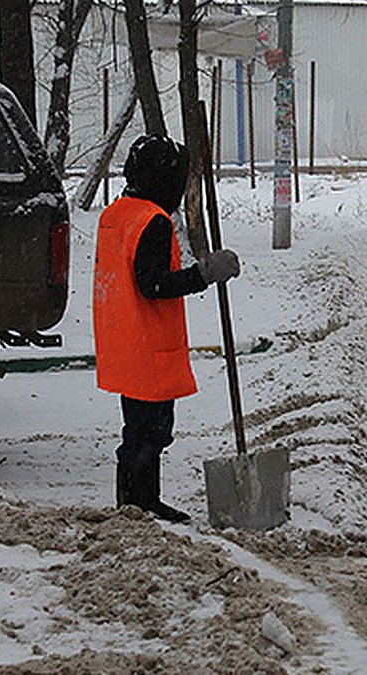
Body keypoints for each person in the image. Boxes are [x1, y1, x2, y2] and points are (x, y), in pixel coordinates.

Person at [93, 134, 241, 523]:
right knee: (150, 432)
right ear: (165, 179)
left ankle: (137, 502)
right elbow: (153, 284)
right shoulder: (152, 222)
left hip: (121, 341)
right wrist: (204, 273)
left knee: (137, 429)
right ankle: (138, 505)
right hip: (148, 346)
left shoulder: (116, 214)